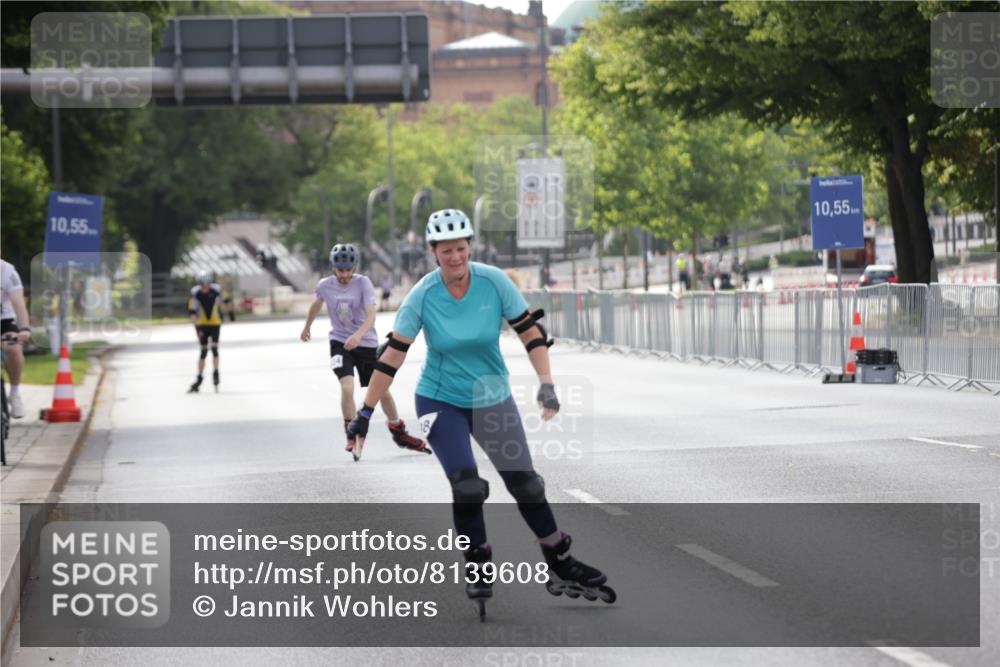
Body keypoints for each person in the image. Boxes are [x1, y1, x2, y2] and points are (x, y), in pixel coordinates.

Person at [347, 209, 614, 612]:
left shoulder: (494, 282)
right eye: (446, 251)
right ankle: (478, 566)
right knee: (467, 487)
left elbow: (531, 333)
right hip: (440, 398)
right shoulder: (423, 294)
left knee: (526, 484)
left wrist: (546, 384)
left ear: (469, 247)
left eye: (461, 248)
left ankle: (560, 561)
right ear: (433, 252)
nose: (455, 257)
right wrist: (365, 413)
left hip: (491, 396)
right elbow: (391, 358)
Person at [301, 244, 427, 458]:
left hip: (365, 343)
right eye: (340, 270)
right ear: (333, 267)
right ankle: (350, 431)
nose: (345, 274)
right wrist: (307, 326)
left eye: (348, 269)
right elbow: (316, 304)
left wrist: (358, 335)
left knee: (381, 391)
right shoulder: (325, 285)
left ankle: (398, 430)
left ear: (354, 267)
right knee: (347, 387)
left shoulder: (363, 283)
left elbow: (371, 316)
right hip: (339, 343)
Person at [186, 271, 234, 393]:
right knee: (203, 352)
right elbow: (192, 312)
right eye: (202, 285)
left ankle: (216, 372)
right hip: (202, 325)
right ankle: (199, 377)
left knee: (214, 349)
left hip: (215, 324)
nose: (205, 288)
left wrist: (231, 314)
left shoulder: (216, 291)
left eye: (206, 285)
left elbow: (227, 301)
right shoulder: (195, 294)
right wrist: (196, 329)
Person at [1, 259, 32, 418]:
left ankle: (14, 393)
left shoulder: (7, 271)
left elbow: (18, 302)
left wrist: (24, 328)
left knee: (13, 348)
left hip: (4, 321)